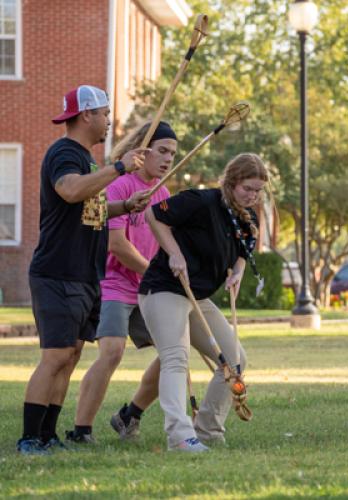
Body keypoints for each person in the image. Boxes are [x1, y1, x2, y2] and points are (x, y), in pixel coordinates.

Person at [17, 85, 149, 455]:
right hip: (57, 273)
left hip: (84, 276)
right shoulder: (64, 153)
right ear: (87, 114)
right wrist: (120, 167)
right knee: (56, 356)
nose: (110, 120)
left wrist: (125, 205)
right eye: (105, 113)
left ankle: (48, 435)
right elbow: (70, 191)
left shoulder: (88, 160)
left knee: (71, 356)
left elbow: (91, 211)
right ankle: (29, 438)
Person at [138, 152, 269, 452]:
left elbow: (244, 248)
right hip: (164, 289)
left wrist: (237, 272)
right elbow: (154, 215)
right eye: (247, 188)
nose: (252, 195)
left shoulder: (248, 216)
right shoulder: (201, 202)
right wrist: (174, 253)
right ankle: (180, 437)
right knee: (175, 357)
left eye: (258, 190)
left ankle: (208, 431)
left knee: (234, 361)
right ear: (232, 181)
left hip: (197, 296)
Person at [65, 121, 178, 443]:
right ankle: (81, 431)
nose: (168, 159)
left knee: (174, 351)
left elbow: (165, 243)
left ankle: (130, 415)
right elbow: (117, 245)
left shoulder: (163, 192)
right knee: (112, 352)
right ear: (142, 151)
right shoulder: (119, 186)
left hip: (147, 287)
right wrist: (152, 271)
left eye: (173, 153)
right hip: (114, 284)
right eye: (162, 151)